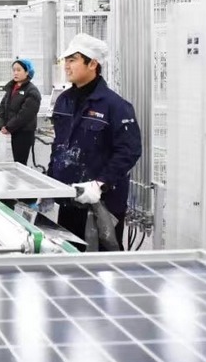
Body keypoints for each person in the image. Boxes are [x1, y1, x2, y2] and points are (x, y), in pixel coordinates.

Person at [48, 33, 142, 251]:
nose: (67, 66)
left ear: (92, 64)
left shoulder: (115, 106)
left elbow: (129, 151)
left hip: (101, 203)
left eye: (73, 60)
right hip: (69, 198)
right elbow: (59, 146)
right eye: (66, 60)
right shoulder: (63, 101)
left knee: (101, 262)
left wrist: (100, 184)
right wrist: (51, 183)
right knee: (69, 255)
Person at [0, 58, 41, 165]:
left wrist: (9, 127)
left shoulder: (32, 91)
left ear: (27, 72)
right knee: (16, 161)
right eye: (14, 70)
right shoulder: (12, 88)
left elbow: (24, 115)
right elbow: (3, 107)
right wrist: (1, 125)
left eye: (19, 70)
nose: (15, 73)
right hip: (15, 131)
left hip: (24, 132)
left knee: (20, 163)